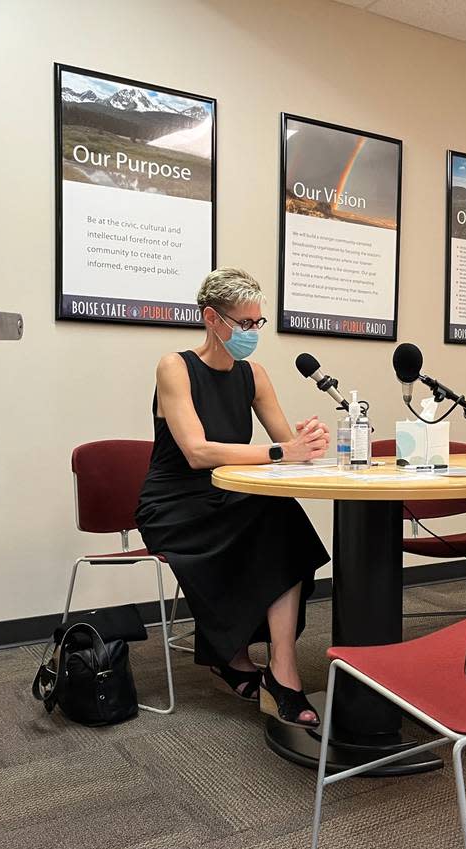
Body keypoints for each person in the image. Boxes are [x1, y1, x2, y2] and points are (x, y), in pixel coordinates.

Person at [135, 267, 331, 728]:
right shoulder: (175, 367)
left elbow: (286, 447)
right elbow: (197, 452)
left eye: (257, 323)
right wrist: (284, 450)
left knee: (280, 518)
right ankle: (242, 659)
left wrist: (311, 439)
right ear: (211, 318)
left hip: (230, 497)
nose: (252, 333)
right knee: (273, 520)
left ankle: (279, 669)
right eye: (243, 324)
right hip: (176, 505)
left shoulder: (253, 375)